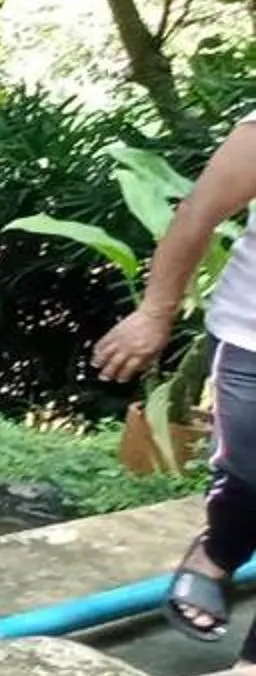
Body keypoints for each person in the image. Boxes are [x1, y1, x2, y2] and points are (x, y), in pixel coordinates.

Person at [94, 119, 256, 646]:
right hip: (252, 336)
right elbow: (199, 213)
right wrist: (153, 314)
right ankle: (217, 552)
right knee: (250, 473)